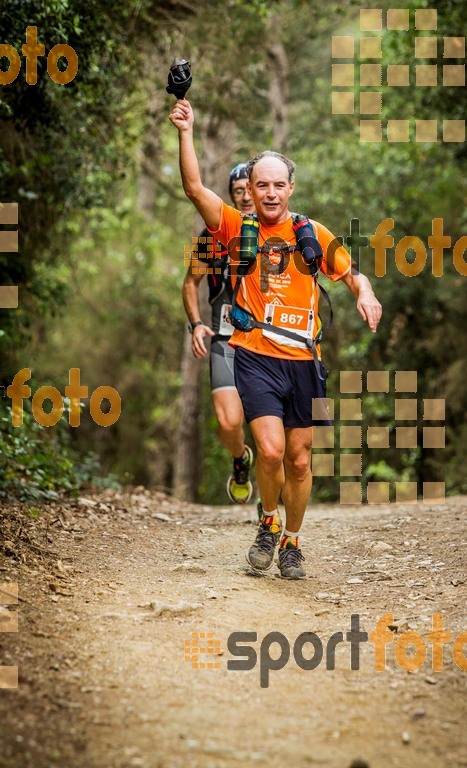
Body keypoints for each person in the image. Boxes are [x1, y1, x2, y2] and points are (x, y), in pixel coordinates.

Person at [169, 98, 382, 580]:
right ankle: (267, 522)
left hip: (306, 361)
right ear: (252, 189)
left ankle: (291, 541)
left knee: (301, 459)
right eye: (260, 185)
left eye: (277, 185)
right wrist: (186, 131)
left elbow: (353, 276)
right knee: (268, 451)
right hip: (254, 356)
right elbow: (193, 186)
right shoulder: (232, 227)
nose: (268, 193)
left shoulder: (311, 232)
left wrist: (366, 295)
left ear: (290, 188)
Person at [182, 164, 256, 504]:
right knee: (228, 423)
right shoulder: (211, 237)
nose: (244, 195)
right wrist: (196, 324)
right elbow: (190, 284)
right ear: (230, 196)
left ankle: (273, 505)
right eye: (237, 190)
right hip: (226, 339)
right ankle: (240, 460)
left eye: (248, 188)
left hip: (266, 343)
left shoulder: (277, 231)